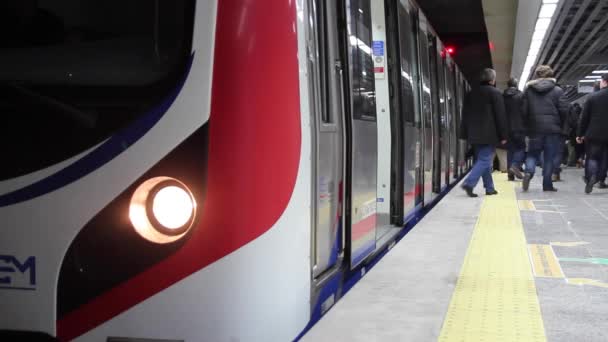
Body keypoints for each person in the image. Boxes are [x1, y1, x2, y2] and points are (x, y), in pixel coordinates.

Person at [459, 68, 508, 197]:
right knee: (485, 160)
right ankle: (469, 183)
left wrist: (464, 133)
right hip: (489, 134)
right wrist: (503, 135)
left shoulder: (470, 93)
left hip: (473, 134)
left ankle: (490, 188)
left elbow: (465, 115)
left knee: (483, 160)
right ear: (492, 79)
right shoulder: (495, 93)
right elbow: (500, 116)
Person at [521, 65, 569, 192]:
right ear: (551, 75)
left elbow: (523, 111)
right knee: (549, 157)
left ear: (537, 75)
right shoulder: (558, 91)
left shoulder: (529, 91)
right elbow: (564, 111)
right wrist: (562, 126)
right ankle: (547, 185)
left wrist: (526, 127)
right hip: (553, 129)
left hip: (535, 128)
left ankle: (528, 172)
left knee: (532, 153)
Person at [577, 73, 608, 194]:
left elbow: (584, 118)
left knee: (592, 158)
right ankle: (600, 177)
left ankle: (591, 176)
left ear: (604, 82)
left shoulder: (592, 97)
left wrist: (580, 134)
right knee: (605, 158)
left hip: (594, 133)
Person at [503, 77, 526, 181]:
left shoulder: (502, 96)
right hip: (519, 127)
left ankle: (510, 174)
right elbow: (525, 112)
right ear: (516, 85)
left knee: (510, 150)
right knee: (521, 148)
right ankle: (514, 166)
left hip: (507, 128)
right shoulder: (521, 96)